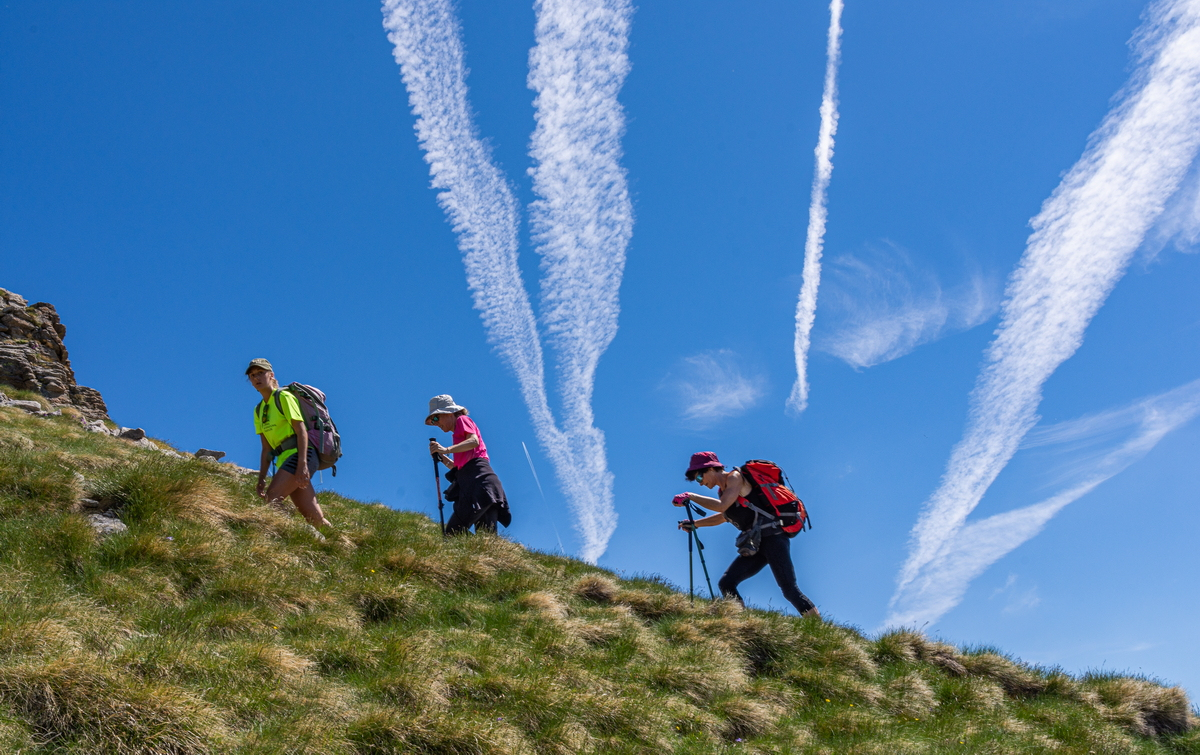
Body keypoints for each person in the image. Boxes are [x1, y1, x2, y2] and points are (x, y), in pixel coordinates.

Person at [674, 451, 819, 618]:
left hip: (773, 537)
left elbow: (721, 506)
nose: (700, 483)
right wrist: (695, 524)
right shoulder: (723, 491)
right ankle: (739, 623)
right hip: (757, 543)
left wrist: (691, 496)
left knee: (789, 589)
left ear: (711, 469)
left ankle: (819, 630)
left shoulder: (735, 477)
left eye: (699, 477)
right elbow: (724, 516)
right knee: (726, 583)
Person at [246, 358, 332, 529]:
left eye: (261, 373)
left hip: (301, 455)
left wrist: (302, 464)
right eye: (252, 375)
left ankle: (289, 534)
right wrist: (261, 479)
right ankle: (334, 540)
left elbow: (301, 431)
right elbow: (266, 449)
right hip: (285, 460)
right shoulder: (259, 410)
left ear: (271, 375)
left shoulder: (283, 397)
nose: (257, 378)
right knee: (314, 518)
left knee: (272, 498)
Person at [426, 394, 511, 535]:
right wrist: (442, 457)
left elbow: (474, 441)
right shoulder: (459, 438)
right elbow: (460, 468)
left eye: (436, 418)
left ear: (449, 413)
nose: (435, 423)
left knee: (453, 532)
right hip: (484, 483)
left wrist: (446, 450)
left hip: (478, 483)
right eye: (432, 421)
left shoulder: (462, 420)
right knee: (486, 537)